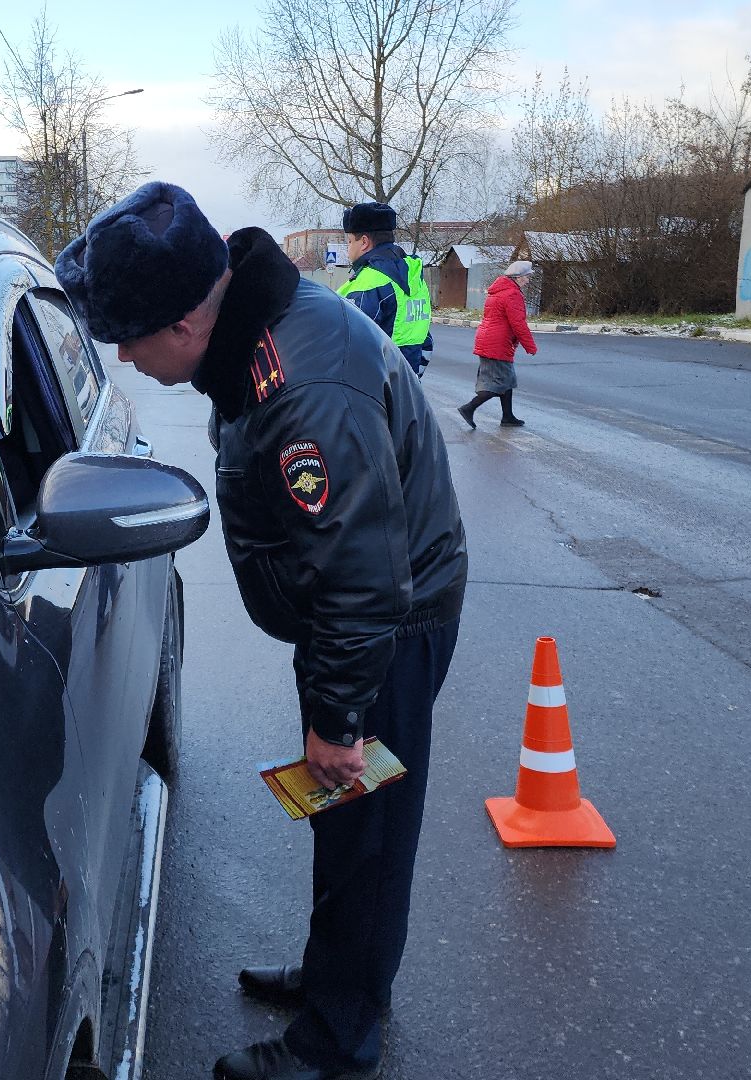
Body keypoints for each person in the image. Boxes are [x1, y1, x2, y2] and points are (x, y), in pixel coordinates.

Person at [54, 182, 468, 1080]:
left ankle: (335, 1045)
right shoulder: (250, 335)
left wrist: (338, 716)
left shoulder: (303, 386)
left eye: (129, 337)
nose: (122, 358)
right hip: (352, 615)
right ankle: (339, 980)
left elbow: (361, 574)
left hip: (386, 620)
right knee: (345, 819)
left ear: (185, 324)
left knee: (364, 832)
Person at [336, 202, 434, 377]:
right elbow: (426, 340)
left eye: (350, 241)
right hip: (407, 383)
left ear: (364, 242)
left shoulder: (368, 283)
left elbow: (348, 345)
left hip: (372, 387)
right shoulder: (414, 276)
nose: (348, 248)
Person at [457, 260, 537, 429]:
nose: (528, 280)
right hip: (497, 343)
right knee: (498, 383)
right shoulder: (511, 294)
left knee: (506, 380)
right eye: (527, 277)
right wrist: (530, 345)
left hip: (490, 340)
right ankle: (468, 408)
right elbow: (518, 323)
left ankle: (507, 416)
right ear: (518, 277)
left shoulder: (498, 291)